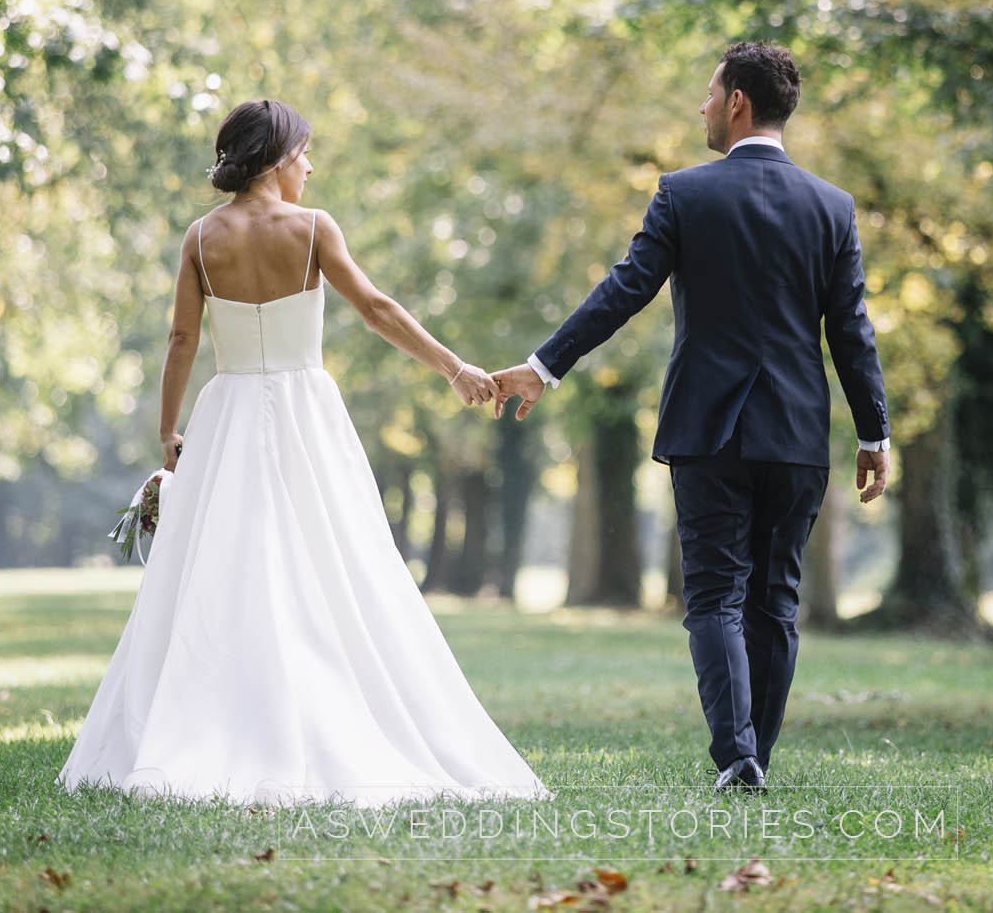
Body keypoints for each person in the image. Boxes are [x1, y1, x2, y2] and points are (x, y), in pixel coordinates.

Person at [59, 98, 547, 808]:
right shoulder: (313, 229)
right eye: (305, 153)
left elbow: (181, 341)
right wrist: (455, 367)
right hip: (304, 414)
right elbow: (376, 307)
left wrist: (170, 433)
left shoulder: (200, 239)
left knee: (222, 567)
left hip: (225, 414)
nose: (311, 167)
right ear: (277, 157)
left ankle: (210, 715)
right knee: (331, 560)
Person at [492, 41, 891, 793]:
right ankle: (754, 758)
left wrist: (544, 365)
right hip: (800, 433)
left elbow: (624, 290)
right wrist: (874, 432)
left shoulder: (684, 193)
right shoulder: (832, 207)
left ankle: (737, 753)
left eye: (709, 94)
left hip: (710, 429)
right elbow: (852, 329)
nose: (701, 107)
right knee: (775, 599)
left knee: (714, 595)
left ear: (738, 100)